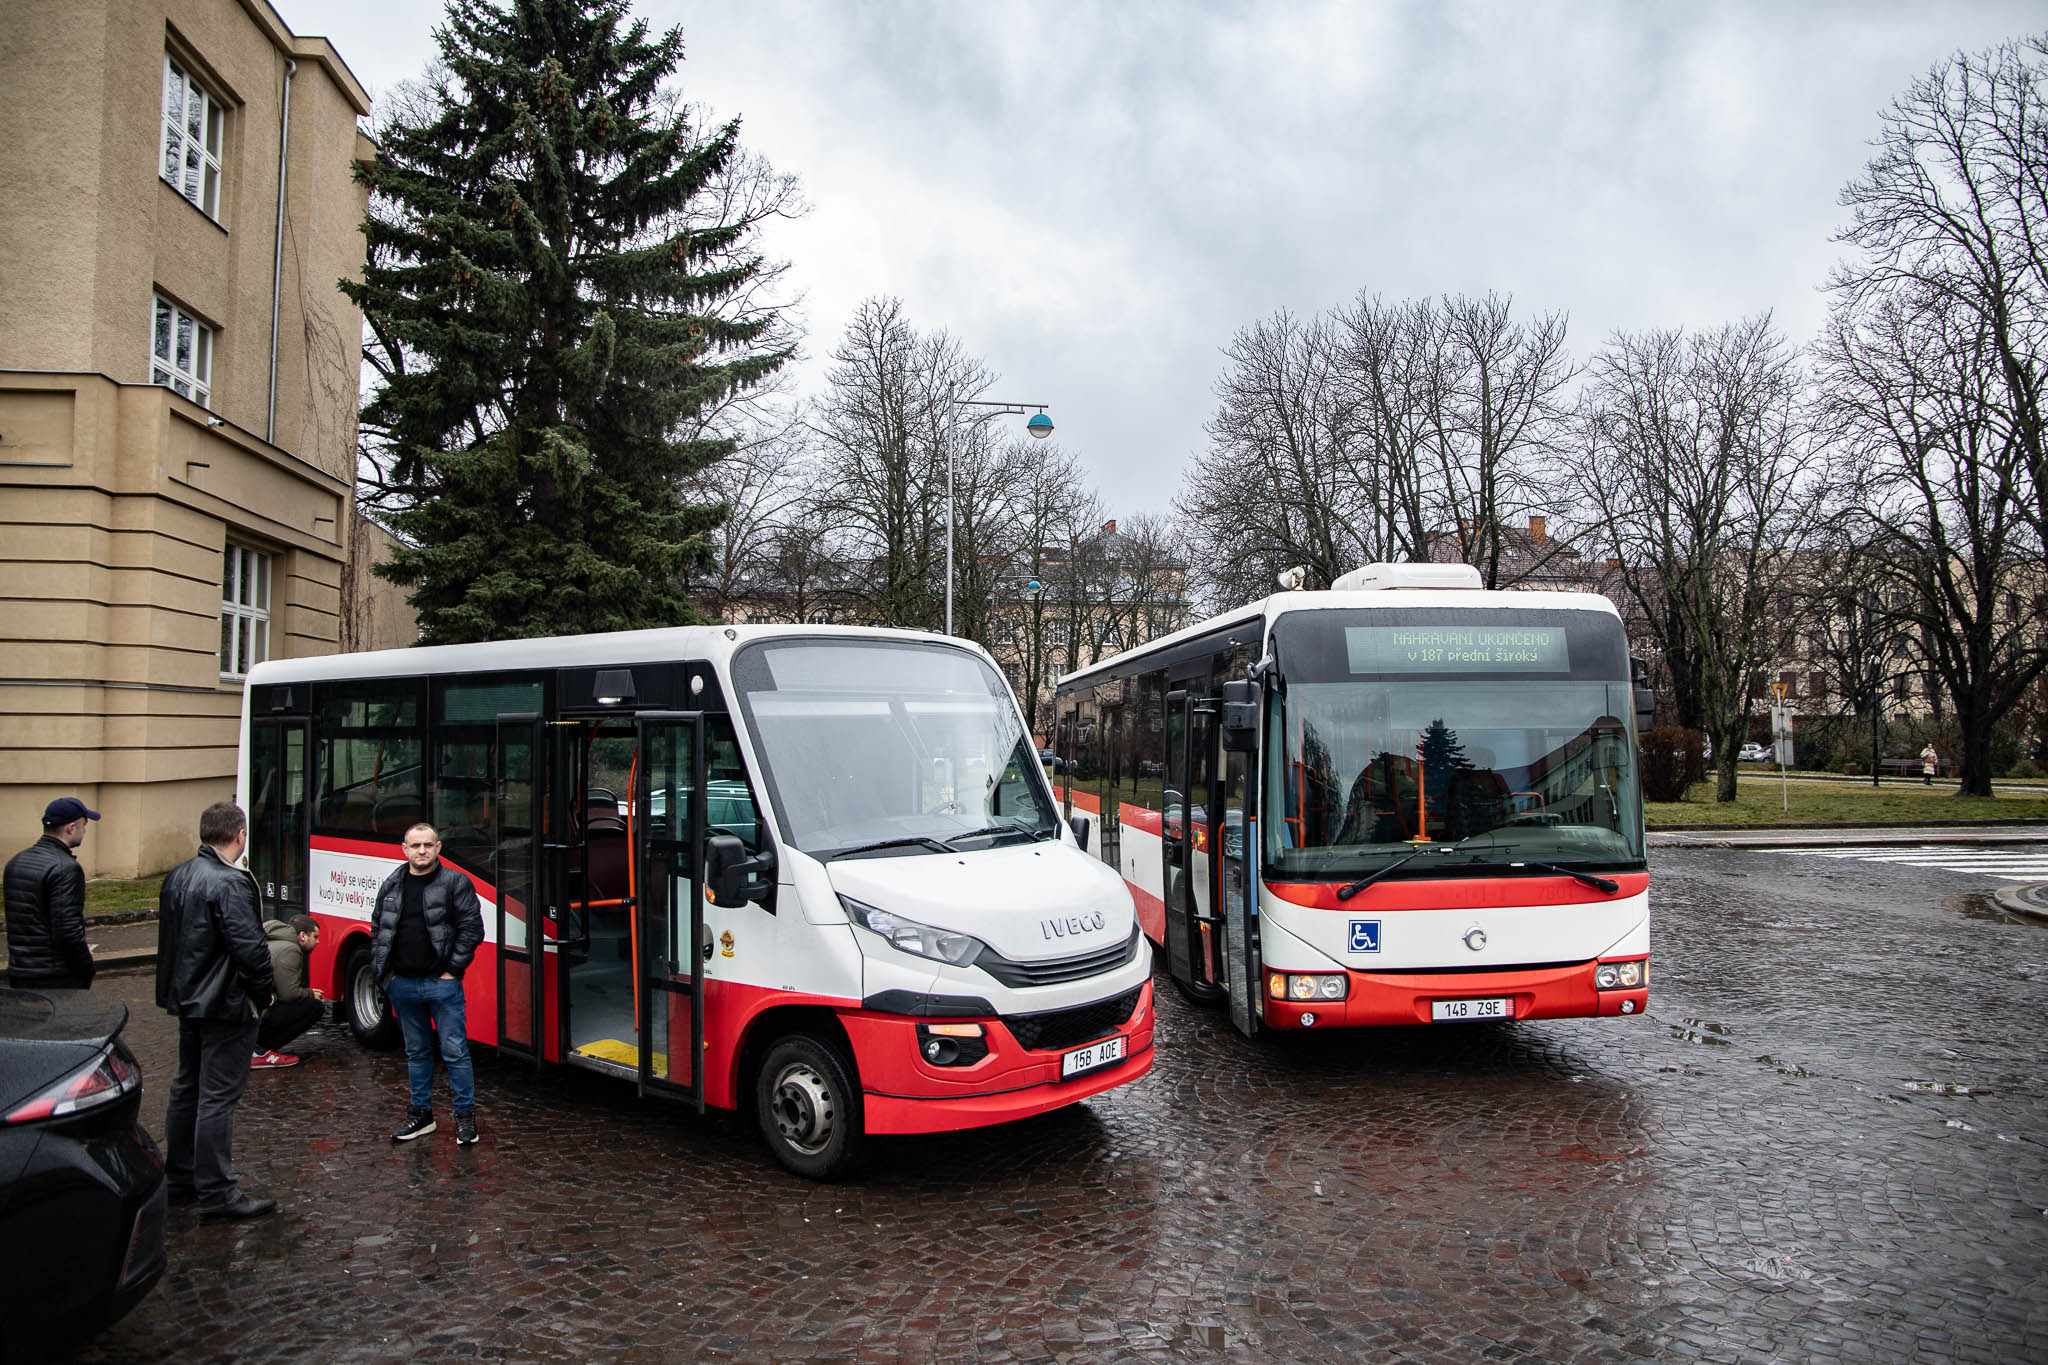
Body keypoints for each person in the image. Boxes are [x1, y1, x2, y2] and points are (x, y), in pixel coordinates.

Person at [156, 801, 277, 1219]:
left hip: (188, 999)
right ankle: (217, 1192)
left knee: (186, 1088)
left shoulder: (179, 875)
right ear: (240, 836)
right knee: (216, 1097)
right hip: (225, 1003)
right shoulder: (230, 882)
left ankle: (181, 1177)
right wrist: (263, 996)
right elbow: (251, 950)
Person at [370, 822, 484, 1145]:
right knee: (416, 1052)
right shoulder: (392, 884)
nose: (422, 851)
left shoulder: (454, 883)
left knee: (455, 1052)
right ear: (404, 849)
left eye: (428, 845)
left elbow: (472, 929)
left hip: (441, 985)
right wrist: (386, 977)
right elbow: (378, 928)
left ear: (438, 848)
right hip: (402, 985)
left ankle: (465, 1119)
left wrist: (452, 971)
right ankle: (421, 1116)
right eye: (415, 845)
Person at [3, 797, 100, 991]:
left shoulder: (17, 861)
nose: (85, 831)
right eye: (84, 824)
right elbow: (68, 932)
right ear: (71, 827)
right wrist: (86, 969)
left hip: (20, 971)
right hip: (55, 977)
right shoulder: (66, 868)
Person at [251, 914, 326, 1068]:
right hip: (256, 1016)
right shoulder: (291, 950)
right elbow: (288, 994)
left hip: (247, 1012)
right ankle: (260, 1050)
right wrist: (311, 993)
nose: (318, 941)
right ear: (303, 936)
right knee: (314, 1006)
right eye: (315, 936)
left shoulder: (273, 939)